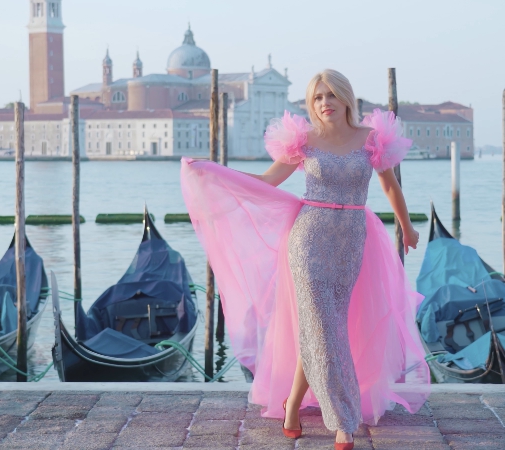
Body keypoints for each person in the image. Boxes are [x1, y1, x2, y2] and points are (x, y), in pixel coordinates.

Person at [181, 69, 430, 450]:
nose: (324, 103)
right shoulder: (303, 141)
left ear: (346, 97)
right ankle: (343, 422)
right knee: (323, 326)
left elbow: (389, 186)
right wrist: (215, 173)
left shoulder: (371, 139)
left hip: (350, 239)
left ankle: (292, 403)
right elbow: (265, 183)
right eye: (317, 97)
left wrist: (407, 228)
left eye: (330, 95)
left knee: (324, 328)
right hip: (308, 239)